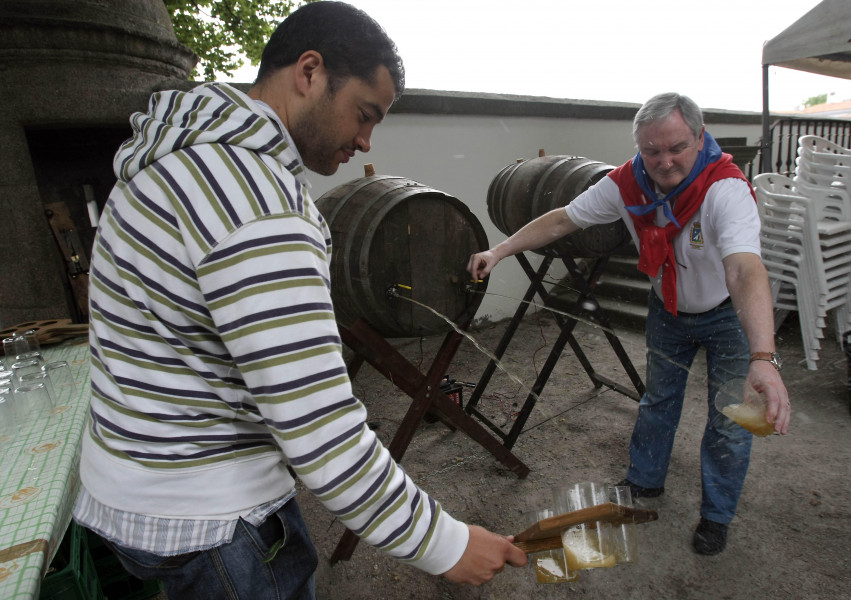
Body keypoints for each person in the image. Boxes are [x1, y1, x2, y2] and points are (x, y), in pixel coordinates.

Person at [73, 3, 525, 598]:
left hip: (131, 489)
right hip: (214, 519)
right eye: (364, 114)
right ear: (309, 71)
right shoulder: (255, 200)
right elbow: (318, 426)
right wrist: (446, 543)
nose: (364, 139)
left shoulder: (171, 160)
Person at [468, 92, 791, 555]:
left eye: (676, 147)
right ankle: (645, 482)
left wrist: (764, 356)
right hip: (668, 310)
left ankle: (716, 516)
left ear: (700, 139)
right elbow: (563, 220)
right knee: (658, 400)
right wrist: (499, 251)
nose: (663, 162)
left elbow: (744, 270)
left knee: (728, 420)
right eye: (651, 150)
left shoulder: (726, 189)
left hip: (726, 316)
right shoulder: (626, 183)